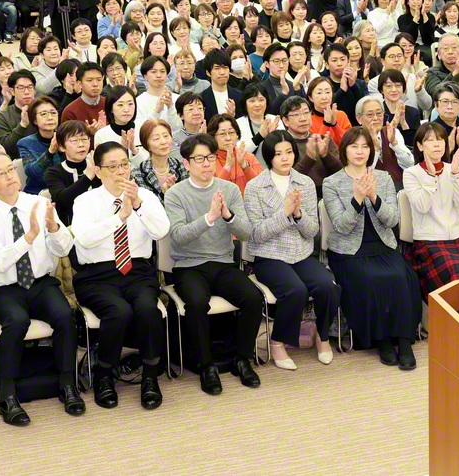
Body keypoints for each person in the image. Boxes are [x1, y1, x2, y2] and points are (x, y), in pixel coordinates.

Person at [0, 151, 84, 425]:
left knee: (64, 316)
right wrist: (30, 236)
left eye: (11, 169)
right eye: (2, 173)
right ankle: (7, 396)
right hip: (3, 289)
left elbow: (64, 248)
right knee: (17, 322)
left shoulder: (39, 203)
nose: (10, 176)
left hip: (40, 282)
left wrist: (54, 227)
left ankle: (68, 384)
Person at [69, 142, 169, 410]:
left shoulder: (145, 196)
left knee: (149, 309)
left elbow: (161, 231)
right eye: (112, 167)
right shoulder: (85, 201)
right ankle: (104, 375)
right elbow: (85, 239)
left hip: (137, 271)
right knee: (119, 312)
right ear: (99, 171)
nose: (120, 172)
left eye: (124, 164)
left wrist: (137, 206)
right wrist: (119, 218)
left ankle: (150, 377)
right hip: (96, 275)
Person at [164, 133, 264, 392]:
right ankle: (205, 365)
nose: (207, 163)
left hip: (222, 262)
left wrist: (227, 215)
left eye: (210, 157)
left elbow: (245, 233)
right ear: (186, 164)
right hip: (189, 266)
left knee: (253, 297)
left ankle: (241, 359)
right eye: (199, 159)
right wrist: (209, 218)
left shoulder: (228, 189)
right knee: (197, 303)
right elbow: (178, 236)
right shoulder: (175, 194)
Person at [323, 128, 421, 370]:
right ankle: (382, 339)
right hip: (348, 250)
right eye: (354, 146)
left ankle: (404, 339)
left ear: (372, 150)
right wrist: (357, 199)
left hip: (382, 245)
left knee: (400, 276)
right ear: (344, 150)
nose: (359, 152)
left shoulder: (384, 178)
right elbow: (341, 226)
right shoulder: (332, 182)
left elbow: (392, 220)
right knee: (370, 278)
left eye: (364, 147)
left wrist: (374, 196)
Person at [243, 131, 337, 370]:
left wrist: (298, 214)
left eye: (289, 152)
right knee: (295, 291)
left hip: (301, 253)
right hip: (270, 256)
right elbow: (255, 234)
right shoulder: (255, 186)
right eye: (277, 154)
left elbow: (312, 230)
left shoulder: (304, 182)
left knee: (328, 286)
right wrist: (284, 214)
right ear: (268, 157)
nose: (285, 158)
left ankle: (322, 336)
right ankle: (277, 342)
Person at [403, 122, 459, 298]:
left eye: (440, 140)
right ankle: (452, 319)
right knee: (453, 270)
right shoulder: (411, 173)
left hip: (456, 238)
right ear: (420, 146)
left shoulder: (451, 169)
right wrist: (430, 177)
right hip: (429, 241)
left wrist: (456, 174)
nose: (436, 144)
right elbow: (422, 206)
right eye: (430, 140)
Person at [133, 118, 188, 202]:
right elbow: (144, 207)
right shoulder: (137, 174)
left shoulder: (181, 167)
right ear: (146, 144)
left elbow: (188, 201)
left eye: (166, 136)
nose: (163, 142)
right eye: (156, 139)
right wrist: (164, 194)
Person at [17, 97, 62, 195]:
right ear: (35, 120)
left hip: (63, 190)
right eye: (44, 114)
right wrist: (50, 152)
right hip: (37, 193)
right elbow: (31, 172)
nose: (50, 117)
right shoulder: (25, 143)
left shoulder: (65, 138)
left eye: (53, 113)